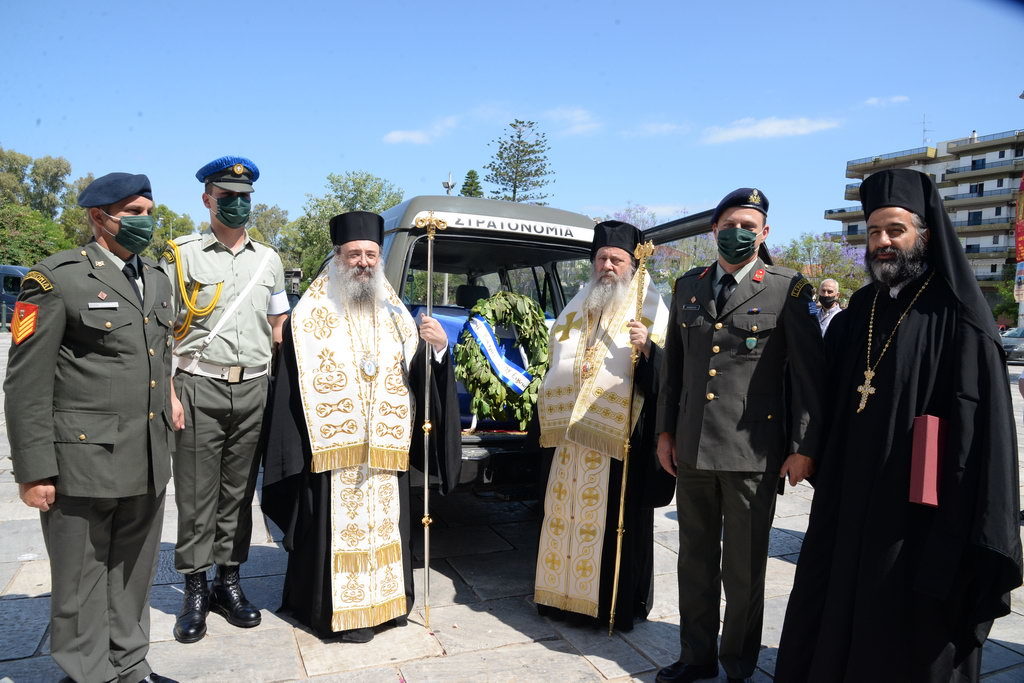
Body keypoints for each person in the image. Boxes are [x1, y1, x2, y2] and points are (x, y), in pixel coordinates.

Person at [775, 169, 1023, 682]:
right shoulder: (858, 311)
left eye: (895, 230)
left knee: (907, 620)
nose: (883, 243)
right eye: (873, 232)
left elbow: (982, 428)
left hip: (922, 508)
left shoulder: (960, 316)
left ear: (924, 235)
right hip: (850, 495)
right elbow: (824, 397)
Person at [260, 210, 461, 643]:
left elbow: (418, 378)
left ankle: (387, 605)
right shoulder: (308, 317)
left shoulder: (396, 314)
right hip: (333, 458)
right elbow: (290, 396)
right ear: (337, 257)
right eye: (355, 254)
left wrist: (439, 350)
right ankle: (338, 613)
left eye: (371, 253)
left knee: (387, 528)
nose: (364, 262)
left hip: (385, 456)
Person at [5, 173, 176, 683]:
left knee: (133, 575)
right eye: (133, 212)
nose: (146, 221)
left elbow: (157, 359)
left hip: (146, 456)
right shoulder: (55, 278)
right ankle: (88, 675)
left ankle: (129, 667)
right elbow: (25, 383)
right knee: (80, 581)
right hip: (82, 462)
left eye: (149, 210)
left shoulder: (159, 277)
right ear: (99, 218)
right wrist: (34, 471)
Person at [654, 188, 825, 683]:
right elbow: (677, 372)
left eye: (749, 225)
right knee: (695, 562)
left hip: (753, 452)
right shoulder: (688, 285)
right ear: (714, 230)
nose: (738, 232)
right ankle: (696, 656)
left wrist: (803, 447)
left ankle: (737, 663)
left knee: (745, 571)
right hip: (691, 449)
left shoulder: (788, 288)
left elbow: (810, 378)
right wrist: (666, 433)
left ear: (765, 233)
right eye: (729, 223)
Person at [162, 156, 290, 643]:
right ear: (207, 199)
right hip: (198, 383)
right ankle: (194, 590)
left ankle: (228, 583)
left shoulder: (269, 259)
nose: (237, 205)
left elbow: (279, 326)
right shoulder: (182, 255)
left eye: (244, 198)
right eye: (228, 197)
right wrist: (169, 391)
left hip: (254, 386)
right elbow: (162, 331)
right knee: (196, 493)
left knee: (238, 494)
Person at [533, 220, 675, 630]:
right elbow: (555, 360)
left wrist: (648, 348)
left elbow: (670, 377)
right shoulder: (576, 307)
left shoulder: (651, 309)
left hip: (619, 439)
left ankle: (608, 605)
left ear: (631, 265)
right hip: (569, 440)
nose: (608, 266)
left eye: (617, 259)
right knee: (563, 516)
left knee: (612, 524)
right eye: (602, 259)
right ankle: (558, 598)